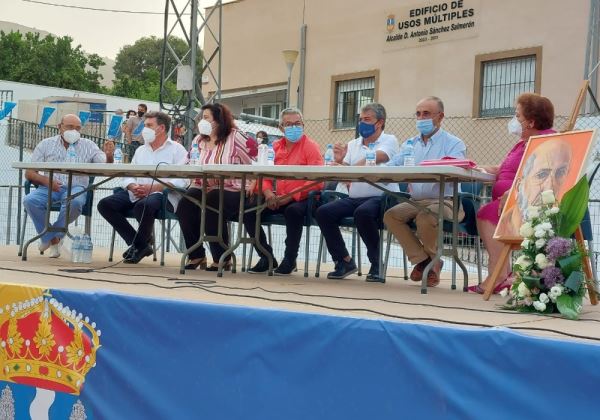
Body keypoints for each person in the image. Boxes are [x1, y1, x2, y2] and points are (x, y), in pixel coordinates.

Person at [472, 93, 556, 293]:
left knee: (486, 212)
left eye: (517, 116)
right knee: (488, 210)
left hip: (527, 204)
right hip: (509, 202)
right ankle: (500, 274)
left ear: (531, 121)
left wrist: (515, 190)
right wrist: (475, 168)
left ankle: (499, 274)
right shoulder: (523, 142)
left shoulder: (545, 140)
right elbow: (505, 169)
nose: (514, 120)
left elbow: (542, 174)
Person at [384, 96, 466, 287]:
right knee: (391, 215)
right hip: (416, 200)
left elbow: (458, 169)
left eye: (426, 114)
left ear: (440, 116)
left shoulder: (454, 143)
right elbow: (391, 165)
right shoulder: (409, 144)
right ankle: (425, 261)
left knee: (425, 215)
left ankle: (432, 263)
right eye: (418, 114)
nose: (421, 118)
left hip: (446, 201)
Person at [315, 103, 399, 282]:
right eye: (360, 120)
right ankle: (344, 260)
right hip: (354, 198)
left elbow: (377, 157)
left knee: (363, 213)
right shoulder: (352, 144)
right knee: (324, 212)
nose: (362, 123)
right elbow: (346, 176)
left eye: (367, 120)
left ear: (380, 122)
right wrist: (339, 163)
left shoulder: (389, 140)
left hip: (381, 197)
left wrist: (349, 170)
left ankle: (377, 264)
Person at [97, 111, 188, 264]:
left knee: (143, 205)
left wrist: (155, 188)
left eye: (148, 125)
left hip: (161, 194)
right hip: (136, 191)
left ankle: (139, 245)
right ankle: (140, 244)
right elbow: (129, 174)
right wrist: (132, 186)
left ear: (161, 128)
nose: (144, 129)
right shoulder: (140, 150)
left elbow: (183, 179)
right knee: (104, 204)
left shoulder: (177, 150)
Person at [176, 103, 256, 271]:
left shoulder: (236, 136)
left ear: (218, 120)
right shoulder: (199, 140)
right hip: (204, 185)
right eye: (201, 118)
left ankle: (222, 257)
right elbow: (189, 163)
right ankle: (196, 254)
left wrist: (255, 182)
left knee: (212, 201)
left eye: (206, 118)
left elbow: (256, 160)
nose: (201, 121)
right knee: (184, 205)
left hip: (234, 188)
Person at [244, 107, 324, 275]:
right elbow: (265, 173)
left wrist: (289, 197)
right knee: (249, 210)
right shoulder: (275, 147)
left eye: (297, 124)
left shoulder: (311, 147)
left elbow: (317, 181)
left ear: (303, 125)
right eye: (288, 124)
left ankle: (290, 259)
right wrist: (267, 193)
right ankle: (266, 256)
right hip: (277, 196)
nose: (294, 127)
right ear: (281, 128)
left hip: (303, 198)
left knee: (293, 211)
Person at [23, 114, 107, 258]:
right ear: (59, 127)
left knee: (75, 202)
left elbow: (104, 165)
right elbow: (30, 173)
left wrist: (110, 155)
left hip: (76, 187)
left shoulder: (89, 145)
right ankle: (53, 239)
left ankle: (51, 236)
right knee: (29, 201)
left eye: (77, 128)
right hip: (50, 187)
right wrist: (46, 182)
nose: (74, 131)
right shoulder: (45, 144)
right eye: (69, 127)